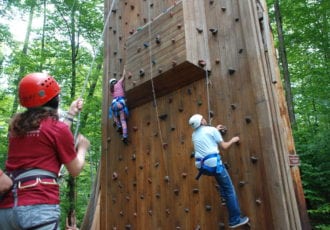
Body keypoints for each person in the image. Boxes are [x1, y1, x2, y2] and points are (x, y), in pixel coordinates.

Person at [0, 72, 90, 230]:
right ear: (56, 100)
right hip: (38, 207)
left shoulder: (16, 128)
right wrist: (82, 148)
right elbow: (75, 169)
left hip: (7, 209)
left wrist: (70, 114)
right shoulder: (57, 129)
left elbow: (48, 137)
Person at [188, 114, 249, 228]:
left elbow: (205, 136)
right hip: (213, 165)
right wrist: (233, 140)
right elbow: (224, 146)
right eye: (203, 118)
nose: (205, 119)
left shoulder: (194, 135)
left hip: (202, 167)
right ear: (201, 121)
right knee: (229, 190)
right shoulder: (211, 130)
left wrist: (215, 130)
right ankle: (235, 220)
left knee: (220, 179)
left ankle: (224, 199)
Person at [109, 68, 129, 144]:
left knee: (113, 113)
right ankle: (124, 135)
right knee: (123, 120)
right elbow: (124, 76)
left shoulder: (111, 90)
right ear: (116, 81)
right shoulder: (119, 83)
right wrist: (124, 68)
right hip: (121, 103)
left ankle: (118, 124)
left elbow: (113, 94)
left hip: (114, 104)